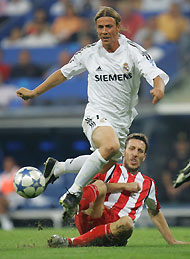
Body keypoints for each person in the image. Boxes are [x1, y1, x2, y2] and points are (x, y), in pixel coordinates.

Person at [16, 6, 169, 222]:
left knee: (105, 163)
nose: (104, 31)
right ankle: (73, 193)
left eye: (109, 26)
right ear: (96, 29)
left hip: (121, 121)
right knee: (111, 147)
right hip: (95, 114)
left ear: (118, 27)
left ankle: (58, 167)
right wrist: (34, 92)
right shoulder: (89, 53)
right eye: (100, 27)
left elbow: (155, 73)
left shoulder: (133, 51)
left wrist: (159, 88)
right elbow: (63, 73)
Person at [47, 133, 190, 247]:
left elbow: (155, 212)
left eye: (140, 151)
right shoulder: (110, 168)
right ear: (124, 151)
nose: (135, 154)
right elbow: (92, 188)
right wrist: (124, 186)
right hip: (94, 216)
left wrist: (172, 241)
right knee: (99, 186)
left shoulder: (148, 184)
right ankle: (73, 205)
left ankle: (70, 242)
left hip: (118, 229)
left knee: (127, 223)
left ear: (144, 157)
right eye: (131, 149)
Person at [0, 156, 24, 230]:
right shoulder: (2, 176)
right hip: (7, 198)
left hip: (18, 196)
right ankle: (6, 224)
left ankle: (6, 225)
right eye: (6, 164)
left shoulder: (19, 172)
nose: (7, 165)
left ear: (13, 163)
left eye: (9, 163)